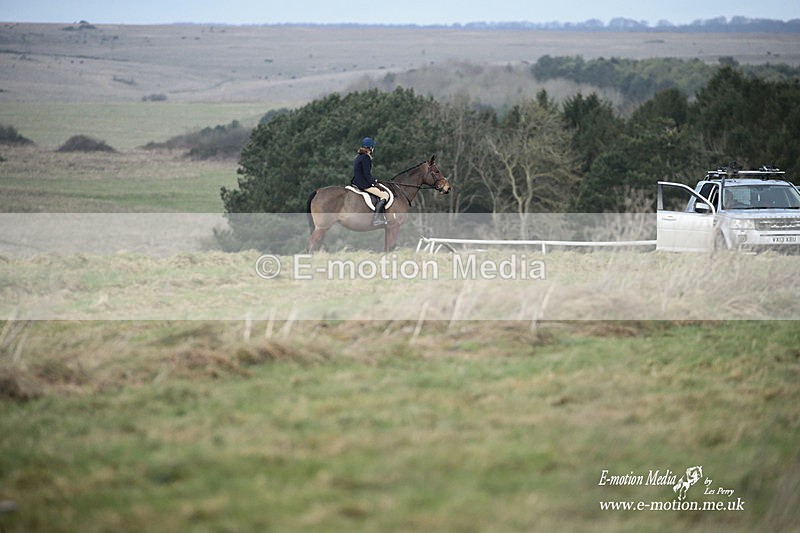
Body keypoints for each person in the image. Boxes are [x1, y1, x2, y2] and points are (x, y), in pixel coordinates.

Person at [351, 137, 390, 226]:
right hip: (363, 184)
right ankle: (377, 219)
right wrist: (375, 183)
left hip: (356, 182)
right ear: (370, 148)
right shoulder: (366, 157)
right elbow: (367, 174)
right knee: (385, 195)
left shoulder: (358, 156)